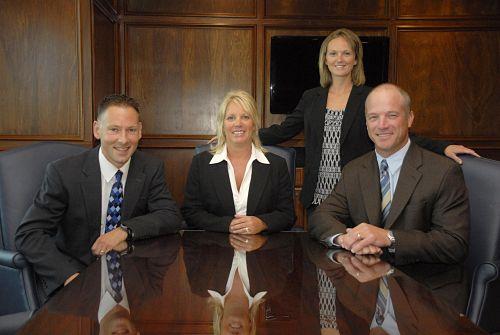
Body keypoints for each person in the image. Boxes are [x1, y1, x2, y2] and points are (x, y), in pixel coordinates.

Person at [259, 28, 478, 215]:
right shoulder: (311, 97)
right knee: (318, 258)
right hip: (317, 197)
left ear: (355, 59)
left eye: (346, 53)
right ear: (325, 59)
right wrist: (238, 136)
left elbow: (398, 134)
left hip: (359, 195)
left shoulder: (369, 97)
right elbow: (282, 131)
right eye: (333, 53)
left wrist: (444, 147)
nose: (339, 59)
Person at [15, 94, 182, 298]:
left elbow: (170, 215)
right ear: (97, 130)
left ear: (139, 132)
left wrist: (124, 231)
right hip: (77, 277)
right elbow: (29, 233)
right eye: (114, 129)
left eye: (131, 130)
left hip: (131, 281)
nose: (123, 139)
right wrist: (68, 276)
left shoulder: (150, 167)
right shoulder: (64, 172)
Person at [309, 83, 469, 265]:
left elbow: (454, 244)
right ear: (366, 123)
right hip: (366, 280)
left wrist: (389, 237)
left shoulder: (443, 172)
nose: (382, 125)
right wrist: (344, 239)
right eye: (373, 117)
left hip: (422, 282)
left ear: (409, 119)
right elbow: (320, 216)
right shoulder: (354, 170)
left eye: (392, 115)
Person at [182, 90, 295, 234]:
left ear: (254, 124)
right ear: (222, 125)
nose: (238, 123)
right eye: (231, 118)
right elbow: (190, 212)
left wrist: (262, 223)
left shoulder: (276, 165)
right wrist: (226, 225)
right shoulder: (201, 163)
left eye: (245, 117)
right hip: (214, 249)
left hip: (263, 251)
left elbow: (287, 215)